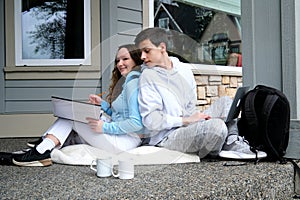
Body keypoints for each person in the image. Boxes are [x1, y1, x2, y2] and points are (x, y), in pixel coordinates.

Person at [134, 27, 266, 159]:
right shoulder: (148, 76)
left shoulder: (184, 70)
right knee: (216, 128)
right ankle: (221, 143)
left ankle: (231, 142)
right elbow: (151, 121)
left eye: (147, 51)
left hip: (189, 125)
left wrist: (198, 119)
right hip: (166, 137)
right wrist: (186, 120)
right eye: (141, 52)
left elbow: (191, 106)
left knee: (226, 102)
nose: (142, 57)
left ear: (162, 47)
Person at [12, 44, 145, 167]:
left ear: (135, 60)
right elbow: (121, 115)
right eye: (117, 61)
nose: (120, 64)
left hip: (125, 142)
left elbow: (135, 123)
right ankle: (45, 144)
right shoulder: (127, 82)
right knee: (79, 113)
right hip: (122, 137)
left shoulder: (132, 83)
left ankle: (44, 147)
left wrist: (105, 127)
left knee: (74, 115)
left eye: (125, 59)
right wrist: (103, 105)